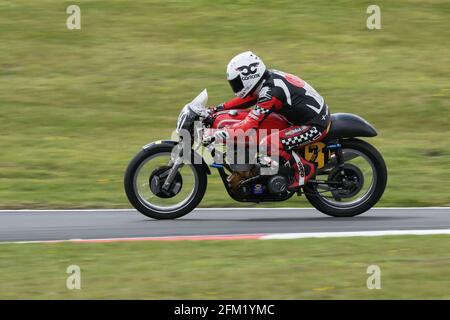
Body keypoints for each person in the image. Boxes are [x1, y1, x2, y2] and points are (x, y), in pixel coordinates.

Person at [210, 51, 331, 191]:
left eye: (237, 82)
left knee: (268, 143)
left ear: (249, 76)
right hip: (305, 118)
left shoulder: (271, 92)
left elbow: (249, 125)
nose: (235, 86)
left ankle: (304, 169)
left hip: (314, 125)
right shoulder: (266, 81)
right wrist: (218, 108)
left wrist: (223, 132)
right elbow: (249, 98)